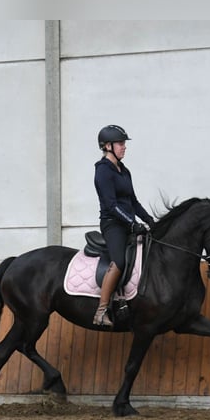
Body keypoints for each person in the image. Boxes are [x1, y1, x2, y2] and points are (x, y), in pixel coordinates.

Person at [92, 125, 155, 327]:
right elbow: (111, 206)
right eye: (121, 144)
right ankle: (101, 311)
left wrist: (150, 220)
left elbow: (133, 202)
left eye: (124, 143)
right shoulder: (103, 171)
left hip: (128, 223)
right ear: (108, 146)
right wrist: (132, 223)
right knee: (119, 261)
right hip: (113, 225)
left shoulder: (123, 170)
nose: (124, 147)